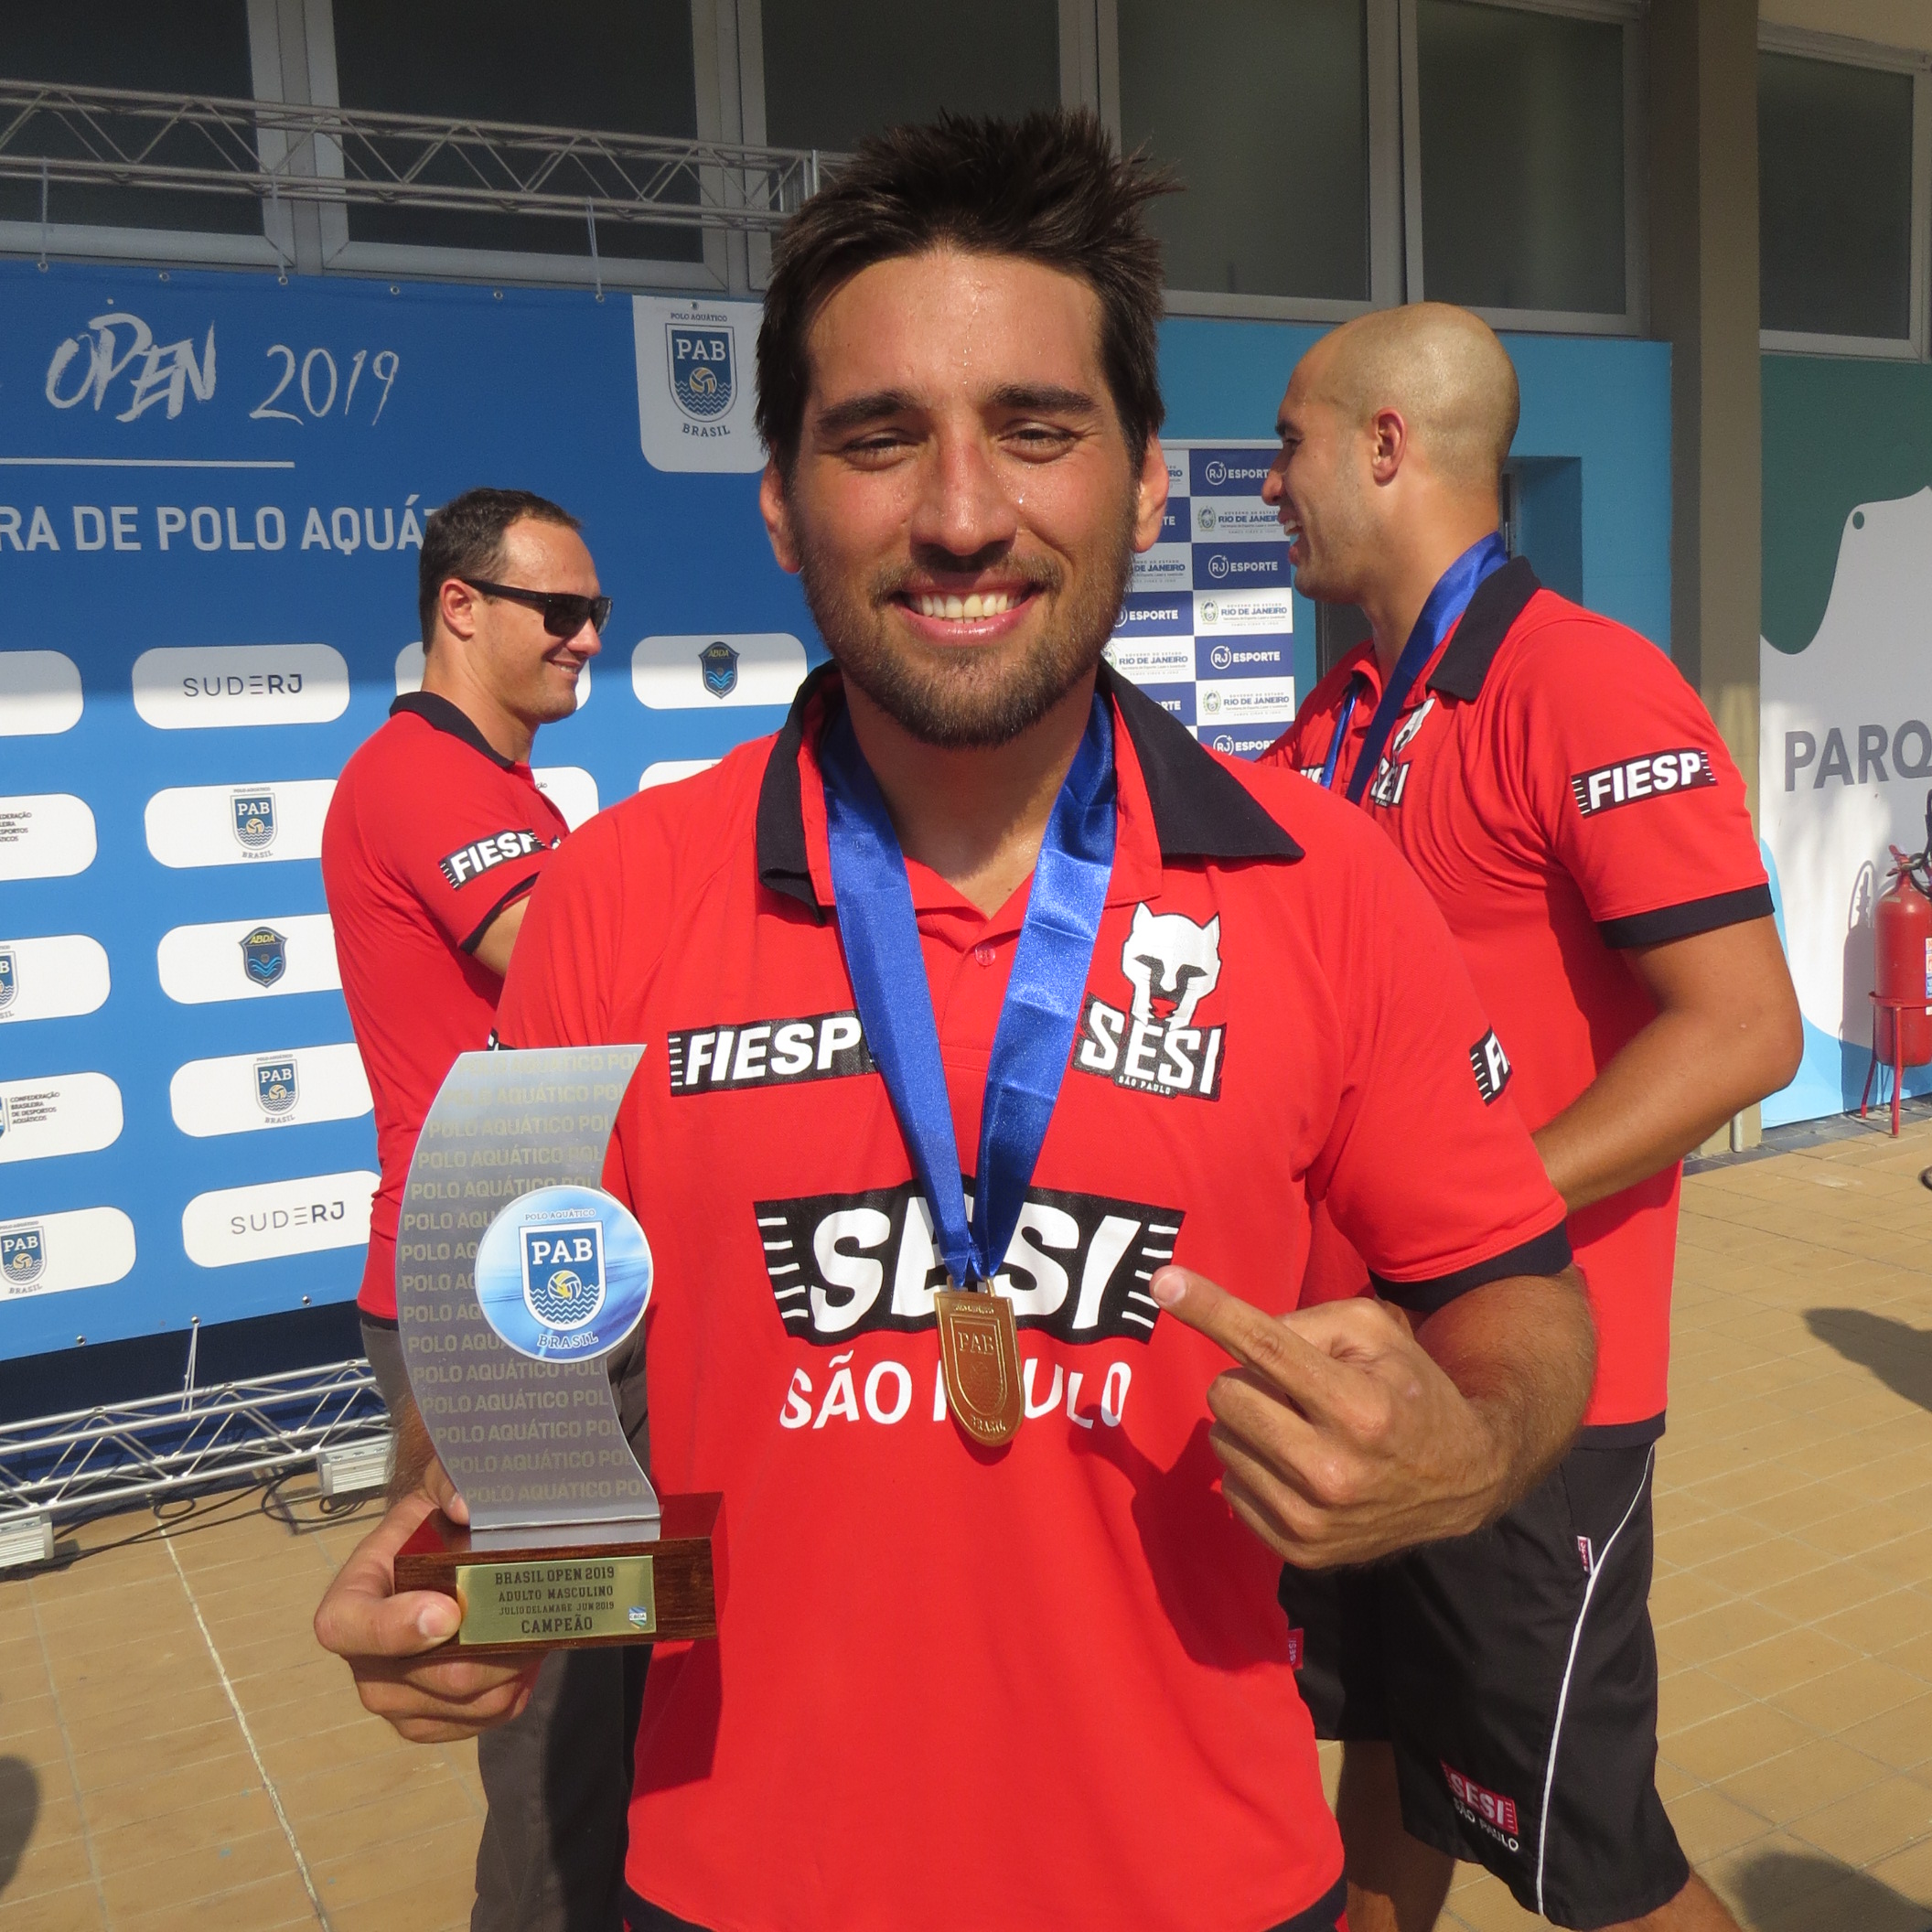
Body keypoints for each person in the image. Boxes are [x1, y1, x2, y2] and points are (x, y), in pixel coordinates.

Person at [316, 113, 1598, 1932]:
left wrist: (1466, 1452)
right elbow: (487, 1363)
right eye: (878, 437)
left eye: (1037, 427)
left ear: (1144, 487)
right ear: (781, 500)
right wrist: (469, 1582)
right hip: (733, 1888)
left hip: (1209, 1883)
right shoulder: (607, 902)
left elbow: (1523, 1303)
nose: (964, 513)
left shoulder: (1329, 886)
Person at [1261, 304, 1803, 1932]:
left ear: (1385, 445)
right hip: (1360, 1370)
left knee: (1599, 1870)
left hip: (1522, 1399)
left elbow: (1745, 1030)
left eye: (1289, 443)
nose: (1270, 481)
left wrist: (1467, 1223)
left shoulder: (1584, 683)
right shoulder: (1343, 718)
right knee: (1385, 1770)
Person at [321, 487, 635, 1932]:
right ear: (459, 606)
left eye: (596, 613)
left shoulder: (511, 792)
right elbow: (564, 960)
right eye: (557, 611)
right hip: (486, 1293)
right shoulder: (419, 775)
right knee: (555, 1728)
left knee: (607, 1693)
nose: (587, 638)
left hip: (543, 1278)